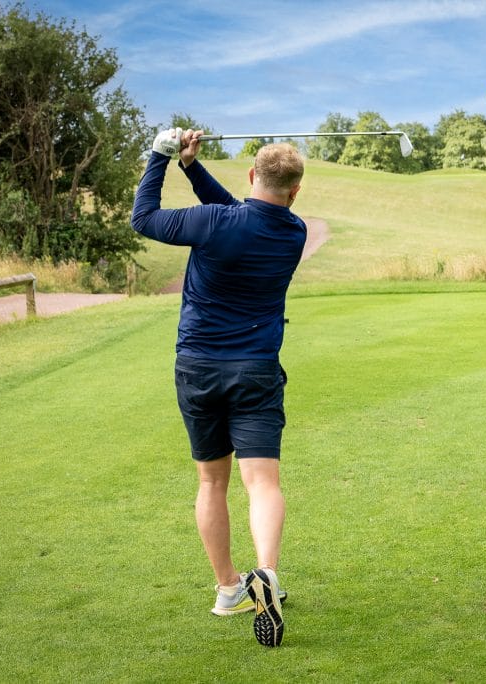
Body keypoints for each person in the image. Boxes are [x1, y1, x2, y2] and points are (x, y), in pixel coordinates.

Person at [131, 128, 307, 647]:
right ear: (295, 191)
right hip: (256, 370)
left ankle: (230, 588)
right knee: (263, 483)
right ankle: (266, 572)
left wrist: (160, 156)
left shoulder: (213, 222)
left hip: (198, 369)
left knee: (212, 483)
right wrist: (191, 168)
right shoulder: (293, 232)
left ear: (252, 175)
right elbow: (245, 214)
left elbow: (144, 218)